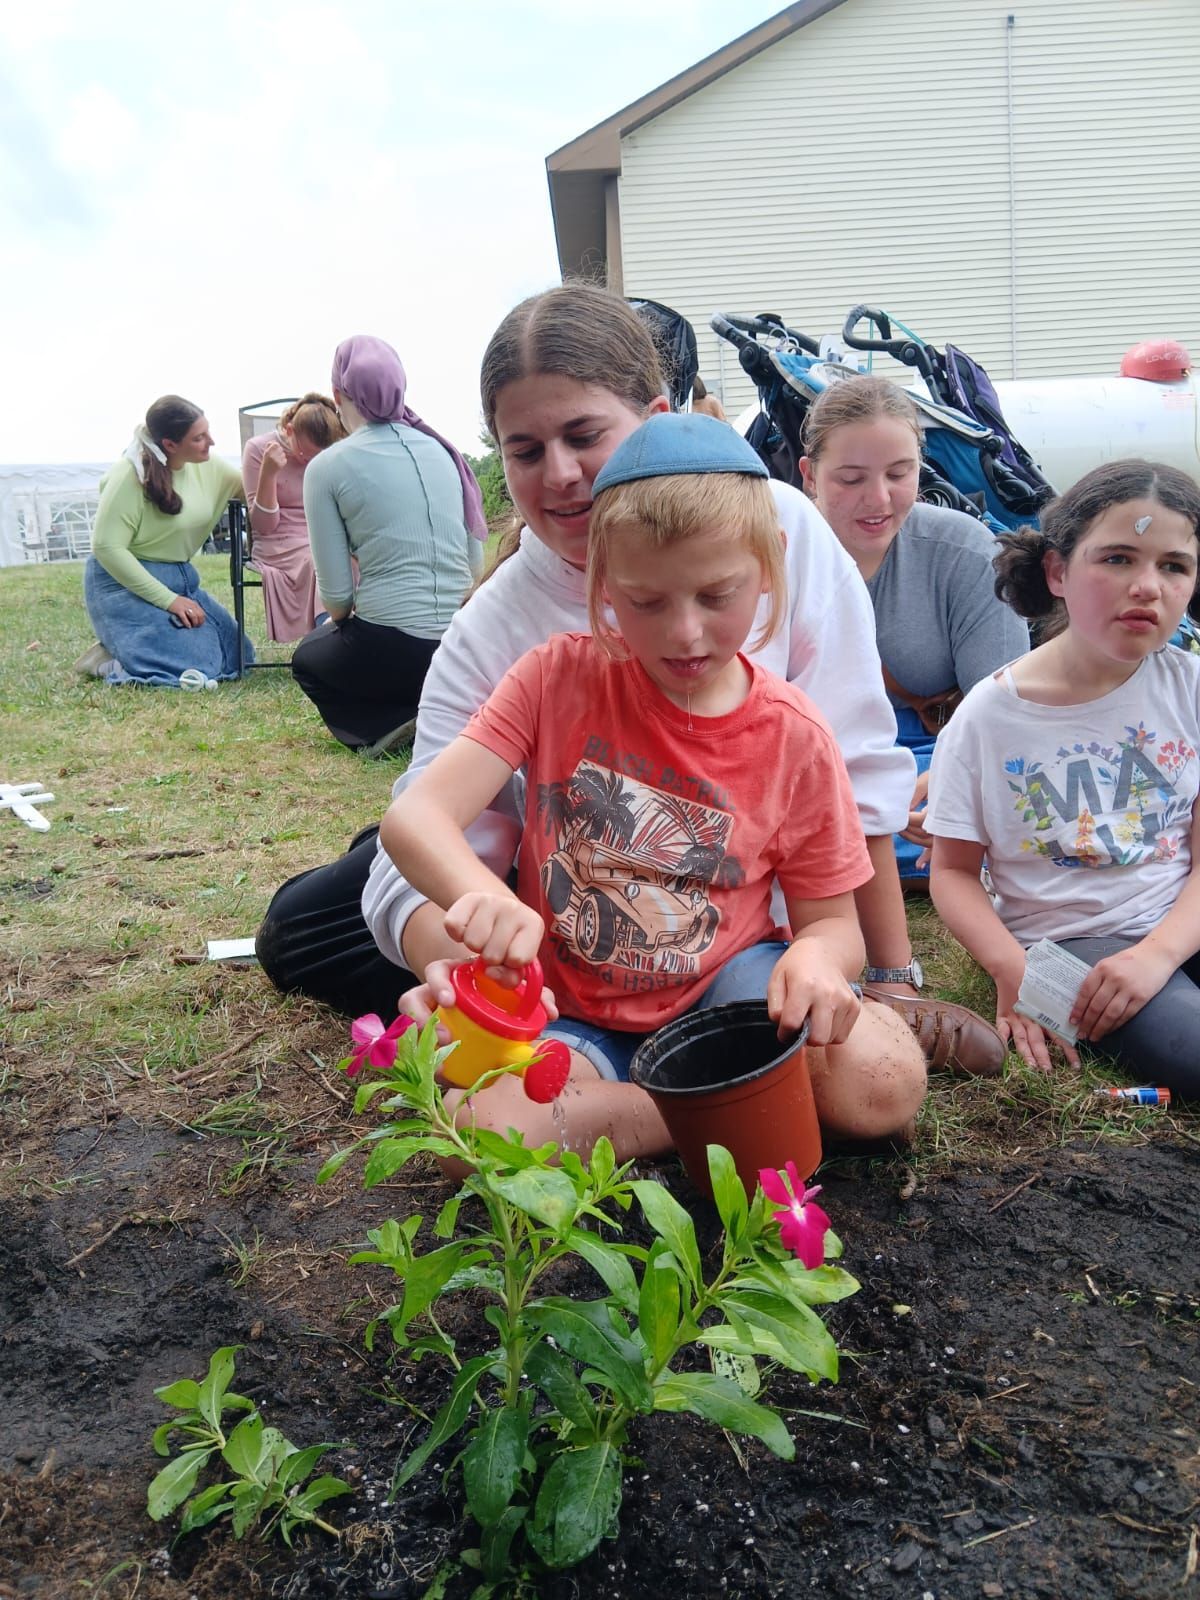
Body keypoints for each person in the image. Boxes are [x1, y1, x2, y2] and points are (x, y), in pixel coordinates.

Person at [257, 284, 1003, 1076]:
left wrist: (886, 974)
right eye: (526, 451)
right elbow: (428, 835)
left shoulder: (780, 530)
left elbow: (853, 780)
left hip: (743, 935)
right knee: (302, 926)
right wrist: (470, 956)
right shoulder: (507, 631)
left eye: (585, 435)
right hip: (555, 908)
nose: (564, 475)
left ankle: (675, 1073)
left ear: (654, 418)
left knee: (857, 1071)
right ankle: (634, 1081)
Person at [381, 412, 925, 1158]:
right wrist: (488, 898)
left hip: (731, 993)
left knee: (883, 1083)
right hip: (572, 1013)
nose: (685, 633)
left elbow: (833, 924)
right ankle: (715, 1109)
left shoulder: (795, 737)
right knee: (485, 1134)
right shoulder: (551, 679)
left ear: (769, 573)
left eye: (717, 596)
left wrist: (819, 961)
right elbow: (415, 818)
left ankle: (644, 1108)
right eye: (646, 603)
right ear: (603, 585)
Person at [927, 459, 1200, 1095]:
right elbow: (952, 873)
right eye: (1118, 559)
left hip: (1179, 918)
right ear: (1057, 571)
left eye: (1173, 566)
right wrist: (1011, 970)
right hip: (1075, 942)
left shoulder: (1190, 689)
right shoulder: (990, 718)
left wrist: (1161, 952)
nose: (1147, 587)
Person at [800, 376, 1030, 883]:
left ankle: (869, 847)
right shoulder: (774, 553)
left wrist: (943, 780)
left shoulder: (965, 550)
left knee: (1017, 800)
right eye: (851, 479)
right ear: (809, 476)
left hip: (940, 754)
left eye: (899, 473)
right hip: (819, 765)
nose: (878, 499)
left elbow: (1005, 715)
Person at [289, 335, 487, 751]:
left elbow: (339, 600)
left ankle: (385, 727)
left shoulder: (327, 467)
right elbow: (474, 565)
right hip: (462, 645)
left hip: (389, 648)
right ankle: (435, 708)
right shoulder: (446, 453)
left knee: (309, 656)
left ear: (338, 396)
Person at [80, 396, 246, 686]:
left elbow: (255, 491)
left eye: (208, 431)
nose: (212, 441)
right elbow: (106, 547)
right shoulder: (129, 475)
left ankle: (129, 649)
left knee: (239, 655)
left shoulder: (210, 466)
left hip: (180, 578)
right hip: (122, 583)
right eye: (199, 437)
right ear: (170, 444)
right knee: (195, 668)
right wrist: (169, 601)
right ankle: (110, 663)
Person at [240, 394, 345, 643]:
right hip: (279, 541)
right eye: (305, 454)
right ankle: (328, 642)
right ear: (289, 430)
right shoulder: (258, 449)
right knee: (321, 561)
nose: (310, 462)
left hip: (324, 531)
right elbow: (264, 527)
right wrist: (269, 474)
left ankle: (352, 640)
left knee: (354, 559)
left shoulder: (337, 451)